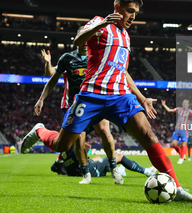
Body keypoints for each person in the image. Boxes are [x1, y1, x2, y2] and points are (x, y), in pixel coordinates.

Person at [21, 0, 192, 202]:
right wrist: (101, 24)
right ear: (117, 8)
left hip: (120, 97)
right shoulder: (100, 22)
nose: (133, 16)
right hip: (91, 96)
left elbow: (122, 70)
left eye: (136, 13)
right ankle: (40, 130)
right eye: (130, 11)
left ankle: (176, 188)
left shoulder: (125, 35)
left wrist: (141, 98)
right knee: (62, 145)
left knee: (148, 135)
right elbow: (79, 39)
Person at [28, 39, 122, 185]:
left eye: (88, 39)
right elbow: (52, 75)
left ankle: (114, 168)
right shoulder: (67, 58)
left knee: (105, 131)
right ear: (76, 40)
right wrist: (41, 98)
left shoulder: (99, 56)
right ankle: (86, 174)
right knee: (80, 139)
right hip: (75, 104)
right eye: (82, 38)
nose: (85, 42)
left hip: (95, 101)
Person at [51, 138, 157, 178]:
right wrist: (82, 147)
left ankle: (119, 170)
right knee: (119, 156)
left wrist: (83, 149)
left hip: (72, 171)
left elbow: (71, 157)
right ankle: (147, 171)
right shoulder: (75, 136)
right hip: (85, 169)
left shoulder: (63, 142)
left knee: (97, 157)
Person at [161, 99, 192, 164]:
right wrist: (164, 105)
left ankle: (181, 159)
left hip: (184, 130)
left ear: (188, 105)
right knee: (174, 144)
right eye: (183, 103)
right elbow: (169, 110)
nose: (184, 104)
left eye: (186, 103)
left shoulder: (189, 111)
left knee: (184, 144)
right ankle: (182, 154)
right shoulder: (179, 109)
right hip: (177, 129)